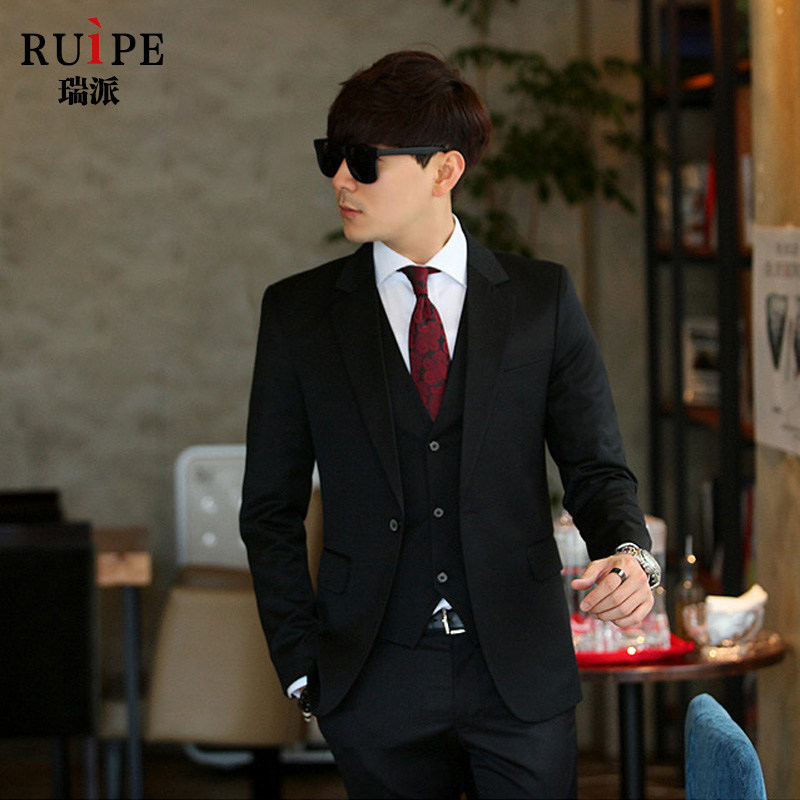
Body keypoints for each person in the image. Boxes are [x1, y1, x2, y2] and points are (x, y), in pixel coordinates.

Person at [240, 49, 661, 799]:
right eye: (332, 157)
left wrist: (630, 554)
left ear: (445, 170)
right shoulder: (299, 315)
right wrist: (302, 665)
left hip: (518, 675)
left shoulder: (540, 301)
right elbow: (270, 509)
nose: (340, 180)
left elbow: (596, 469)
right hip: (372, 679)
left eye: (363, 161)